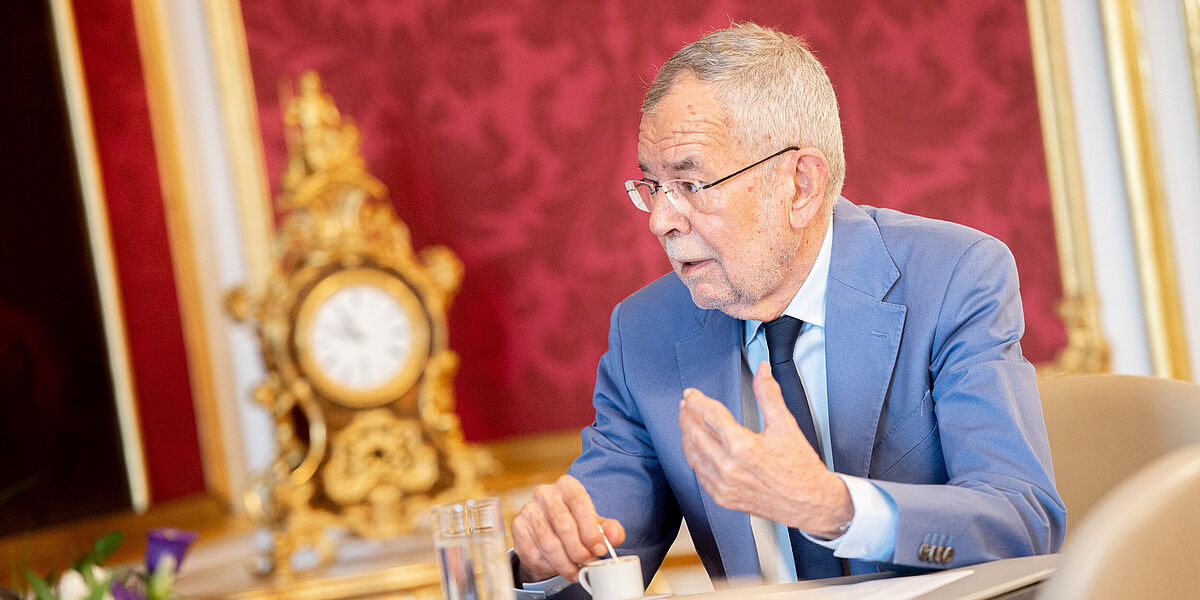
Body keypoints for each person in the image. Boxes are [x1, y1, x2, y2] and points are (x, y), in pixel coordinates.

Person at [510, 22, 1065, 598]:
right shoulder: (645, 332)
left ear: (799, 184)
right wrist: (544, 560)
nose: (660, 220)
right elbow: (598, 549)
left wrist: (834, 507)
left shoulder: (953, 277)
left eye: (692, 184)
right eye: (653, 185)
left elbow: (1022, 522)